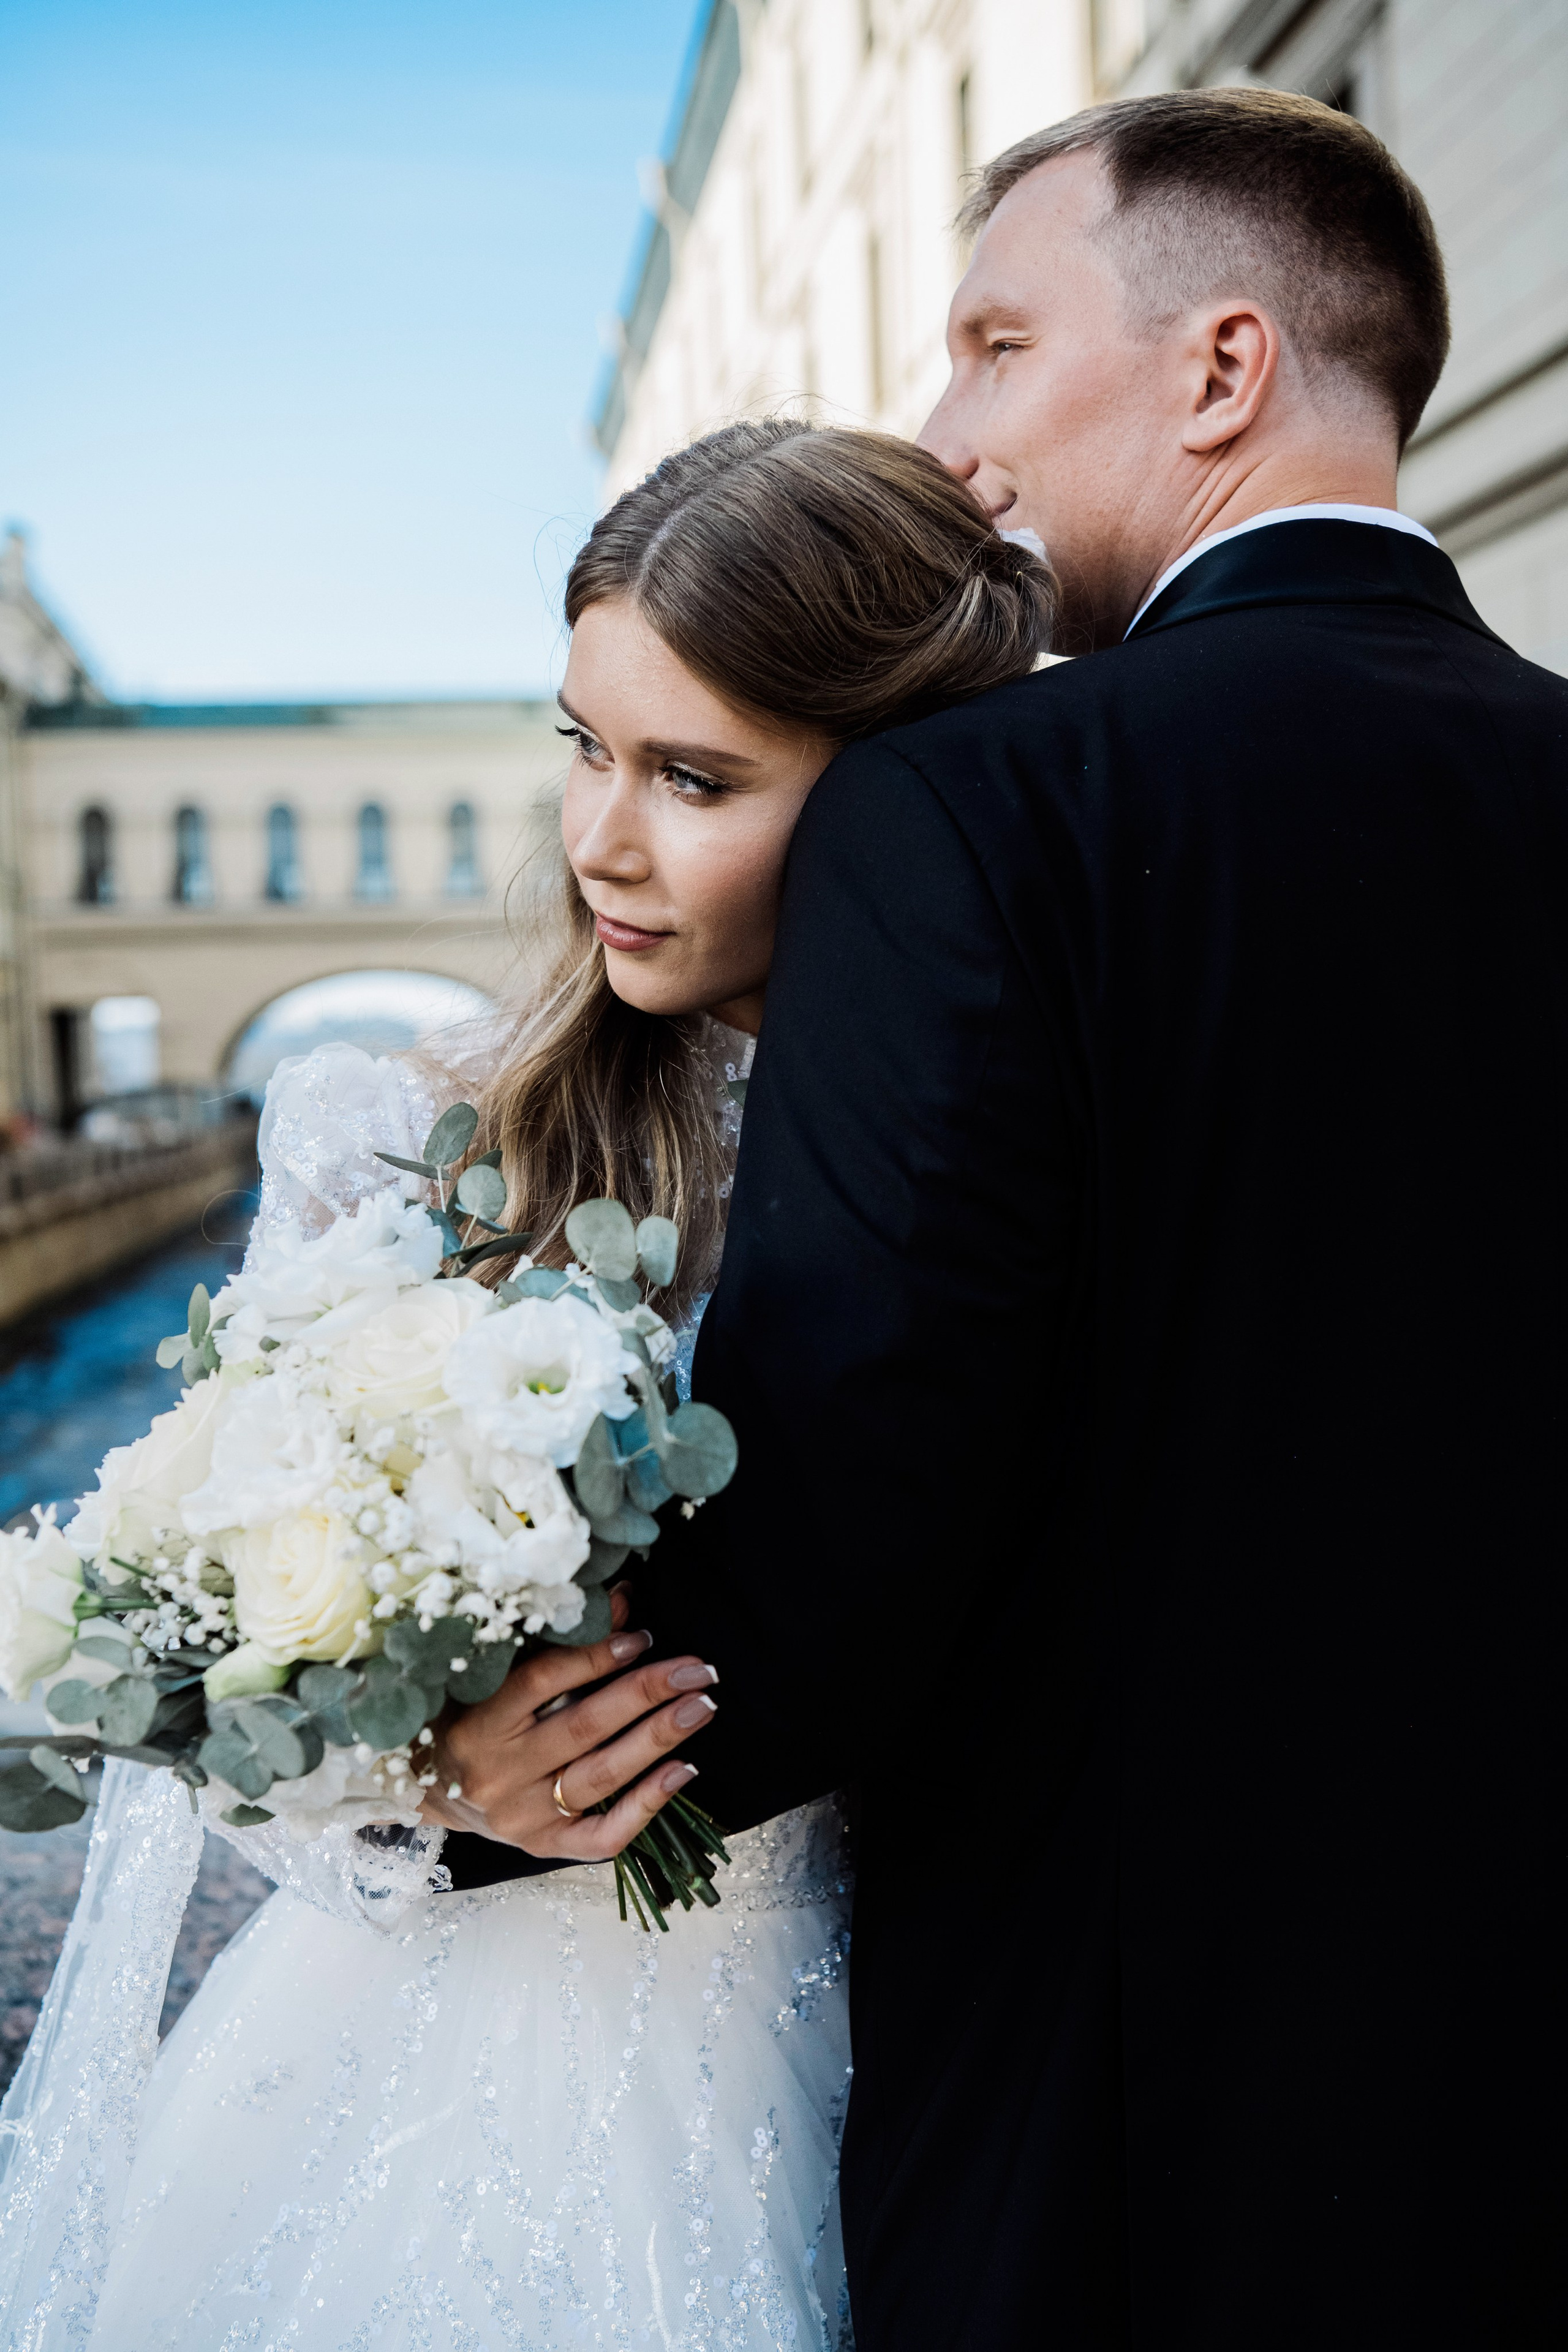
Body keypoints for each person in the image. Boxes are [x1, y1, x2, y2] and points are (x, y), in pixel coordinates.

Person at [440, 88, 1568, 2347]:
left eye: (996, 345)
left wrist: (452, 1778)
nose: (950, 435)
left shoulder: (972, 808)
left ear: (1223, 370)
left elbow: (862, 1513)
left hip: (1126, 2078)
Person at [0, 424, 1052, 2349]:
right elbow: (216, 1666)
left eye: (693, 777)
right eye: (584, 747)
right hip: (431, 2053)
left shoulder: (988, 1150)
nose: (601, 841)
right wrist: (424, 1786)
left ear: (895, 793)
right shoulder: (393, 1131)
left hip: (891, 2045)